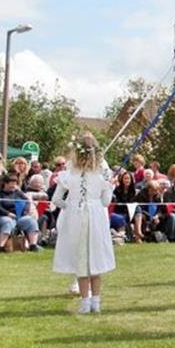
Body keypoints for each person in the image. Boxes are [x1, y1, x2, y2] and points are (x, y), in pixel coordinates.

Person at [51, 133, 116, 314]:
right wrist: (109, 187)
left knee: (81, 259)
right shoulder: (102, 175)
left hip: (76, 218)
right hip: (96, 217)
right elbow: (105, 202)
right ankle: (96, 303)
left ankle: (85, 303)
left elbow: (56, 199)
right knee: (95, 258)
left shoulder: (68, 174)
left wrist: (70, 206)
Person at [0, 174, 40, 252]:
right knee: (8, 222)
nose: (13, 186)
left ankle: (33, 245)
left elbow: (27, 201)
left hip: (19, 217)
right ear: (5, 183)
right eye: (11, 184)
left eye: (15, 184)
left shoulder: (18, 192)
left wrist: (25, 211)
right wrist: (7, 214)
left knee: (31, 221)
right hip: (3, 217)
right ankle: (1, 247)